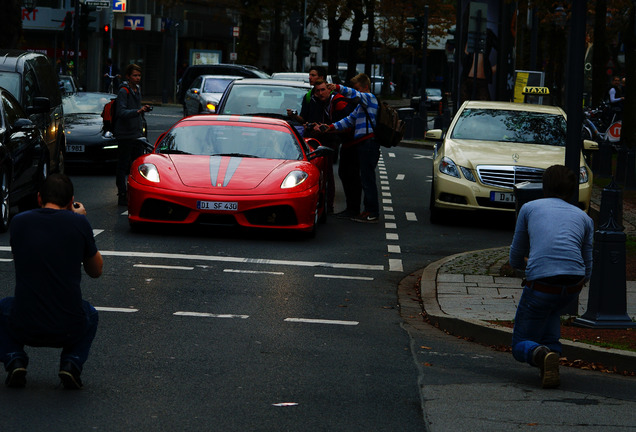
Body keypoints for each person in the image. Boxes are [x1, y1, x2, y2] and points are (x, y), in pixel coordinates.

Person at [0, 174, 103, 389]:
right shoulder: (79, 223)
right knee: (91, 314)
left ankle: (14, 357)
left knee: (3, 308)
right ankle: (71, 362)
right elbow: (96, 271)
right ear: (71, 200)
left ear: (39, 198)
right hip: (68, 326)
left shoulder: (19, 222)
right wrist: (82, 221)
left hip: (24, 323)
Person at [509, 165, 593, 389]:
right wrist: (580, 282)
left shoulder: (529, 208)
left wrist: (523, 268)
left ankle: (537, 353)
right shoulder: (584, 218)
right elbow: (588, 261)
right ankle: (550, 358)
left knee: (519, 345)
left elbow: (516, 254)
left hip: (542, 285)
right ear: (571, 190)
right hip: (572, 285)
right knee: (553, 311)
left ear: (544, 187)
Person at [323, 73, 380, 223]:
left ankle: (372, 212)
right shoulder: (362, 106)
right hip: (364, 143)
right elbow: (349, 120)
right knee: (365, 177)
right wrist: (330, 127)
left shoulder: (369, 98)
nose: (356, 92)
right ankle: (367, 210)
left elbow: (354, 94)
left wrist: (337, 87)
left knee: (368, 178)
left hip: (369, 143)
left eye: (358, 88)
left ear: (365, 87)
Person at [309, 79, 355, 213]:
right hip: (338, 140)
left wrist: (328, 129)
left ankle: (344, 208)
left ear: (330, 89)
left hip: (350, 141)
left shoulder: (339, 103)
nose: (320, 93)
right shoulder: (321, 102)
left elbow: (346, 125)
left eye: (323, 90)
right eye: (317, 91)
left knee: (345, 174)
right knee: (337, 173)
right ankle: (340, 207)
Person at [114, 63, 152, 206]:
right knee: (123, 164)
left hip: (136, 133)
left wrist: (142, 110)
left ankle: (134, 191)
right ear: (128, 76)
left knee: (137, 164)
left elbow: (137, 108)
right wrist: (138, 111)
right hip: (124, 134)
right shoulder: (124, 91)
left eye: (139, 75)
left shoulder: (137, 89)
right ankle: (122, 194)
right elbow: (121, 112)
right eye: (134, 75)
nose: (137, 78)